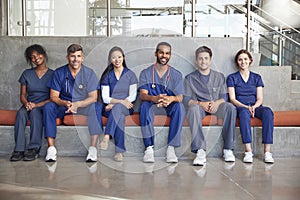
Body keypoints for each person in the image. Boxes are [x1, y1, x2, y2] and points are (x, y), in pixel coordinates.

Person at [43, 44, 103, 162]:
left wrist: (78, 104)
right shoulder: (59, 72)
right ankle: (51, 149)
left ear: (82, 58)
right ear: (67, 57)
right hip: (64, 106)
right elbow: (53, 96)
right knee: (49, 106)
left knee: (96, 106)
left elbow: (93, 97)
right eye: (72, 56)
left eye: (78, 56)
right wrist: (64, 102)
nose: (75, 59)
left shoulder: (89, 73)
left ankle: (92, 149)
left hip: (82, 106)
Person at [184, 46, 237, 166]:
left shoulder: (219, 76)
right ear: (196, 61)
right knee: (193, 109)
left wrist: (217, 103)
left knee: (230, 108)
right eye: (200, 59)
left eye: (206, 58)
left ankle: (228, 149)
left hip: (216, 106)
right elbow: (187, 99)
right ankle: (200, 150)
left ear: (210, 59)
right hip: (200, 108)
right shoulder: (189, 78)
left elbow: (224, 97)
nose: (203, 61)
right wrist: (200, 103)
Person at [138, 42, 185, 163]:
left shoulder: (176, 74)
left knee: (179, 107)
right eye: (161, 52)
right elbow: (143, 94)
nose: (164, 55)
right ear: (156, 53)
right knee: (144, 106)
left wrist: (171, 99)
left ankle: (171, 148)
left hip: (168, 105)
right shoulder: (146, 73)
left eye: (167, 53)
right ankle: (149, 148)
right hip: (152, 104)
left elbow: (180, 96)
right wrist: (154, 99)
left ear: (170, 55)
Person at [227, 49, 274, 163]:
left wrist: (253, 107)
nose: (243, 62)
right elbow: (232, 99)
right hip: (241, 106)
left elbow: (260, 98)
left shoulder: (257, 77)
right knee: (243, 114)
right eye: (240, 59)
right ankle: (248, 151)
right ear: (237, 62)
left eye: (245, 59)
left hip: (256, 106)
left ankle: (267, 152)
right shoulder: (232, 78)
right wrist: (246, 107)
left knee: (268, 112)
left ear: (250, 61)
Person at [10, 44, 54, 161]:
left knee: (35, 113)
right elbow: (23, 95)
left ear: (43, 55)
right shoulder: (26, 74)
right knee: (20, 114)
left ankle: (34, 148)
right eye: (32, 57)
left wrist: (36, 105)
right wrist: (26, 104)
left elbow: (53, 97)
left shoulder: (53, 74)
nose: (36, 58)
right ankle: (18, 149)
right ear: (31, 60)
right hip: (29, 104)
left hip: (43, 105)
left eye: (38, 55)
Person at [99, 46, 138, 162]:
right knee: (119, 117)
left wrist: (115, 103)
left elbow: (132, 96)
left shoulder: (130, 74)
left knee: (119, 109)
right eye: (114, 58)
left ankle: (107, 136)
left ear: (124, 58)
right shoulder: (107, 76)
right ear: (110, 60)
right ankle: (119, 152)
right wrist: (120, 102)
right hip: (110, 109)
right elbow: (105, 98)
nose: (117, 60)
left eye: (119, 57)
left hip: (127, 107)